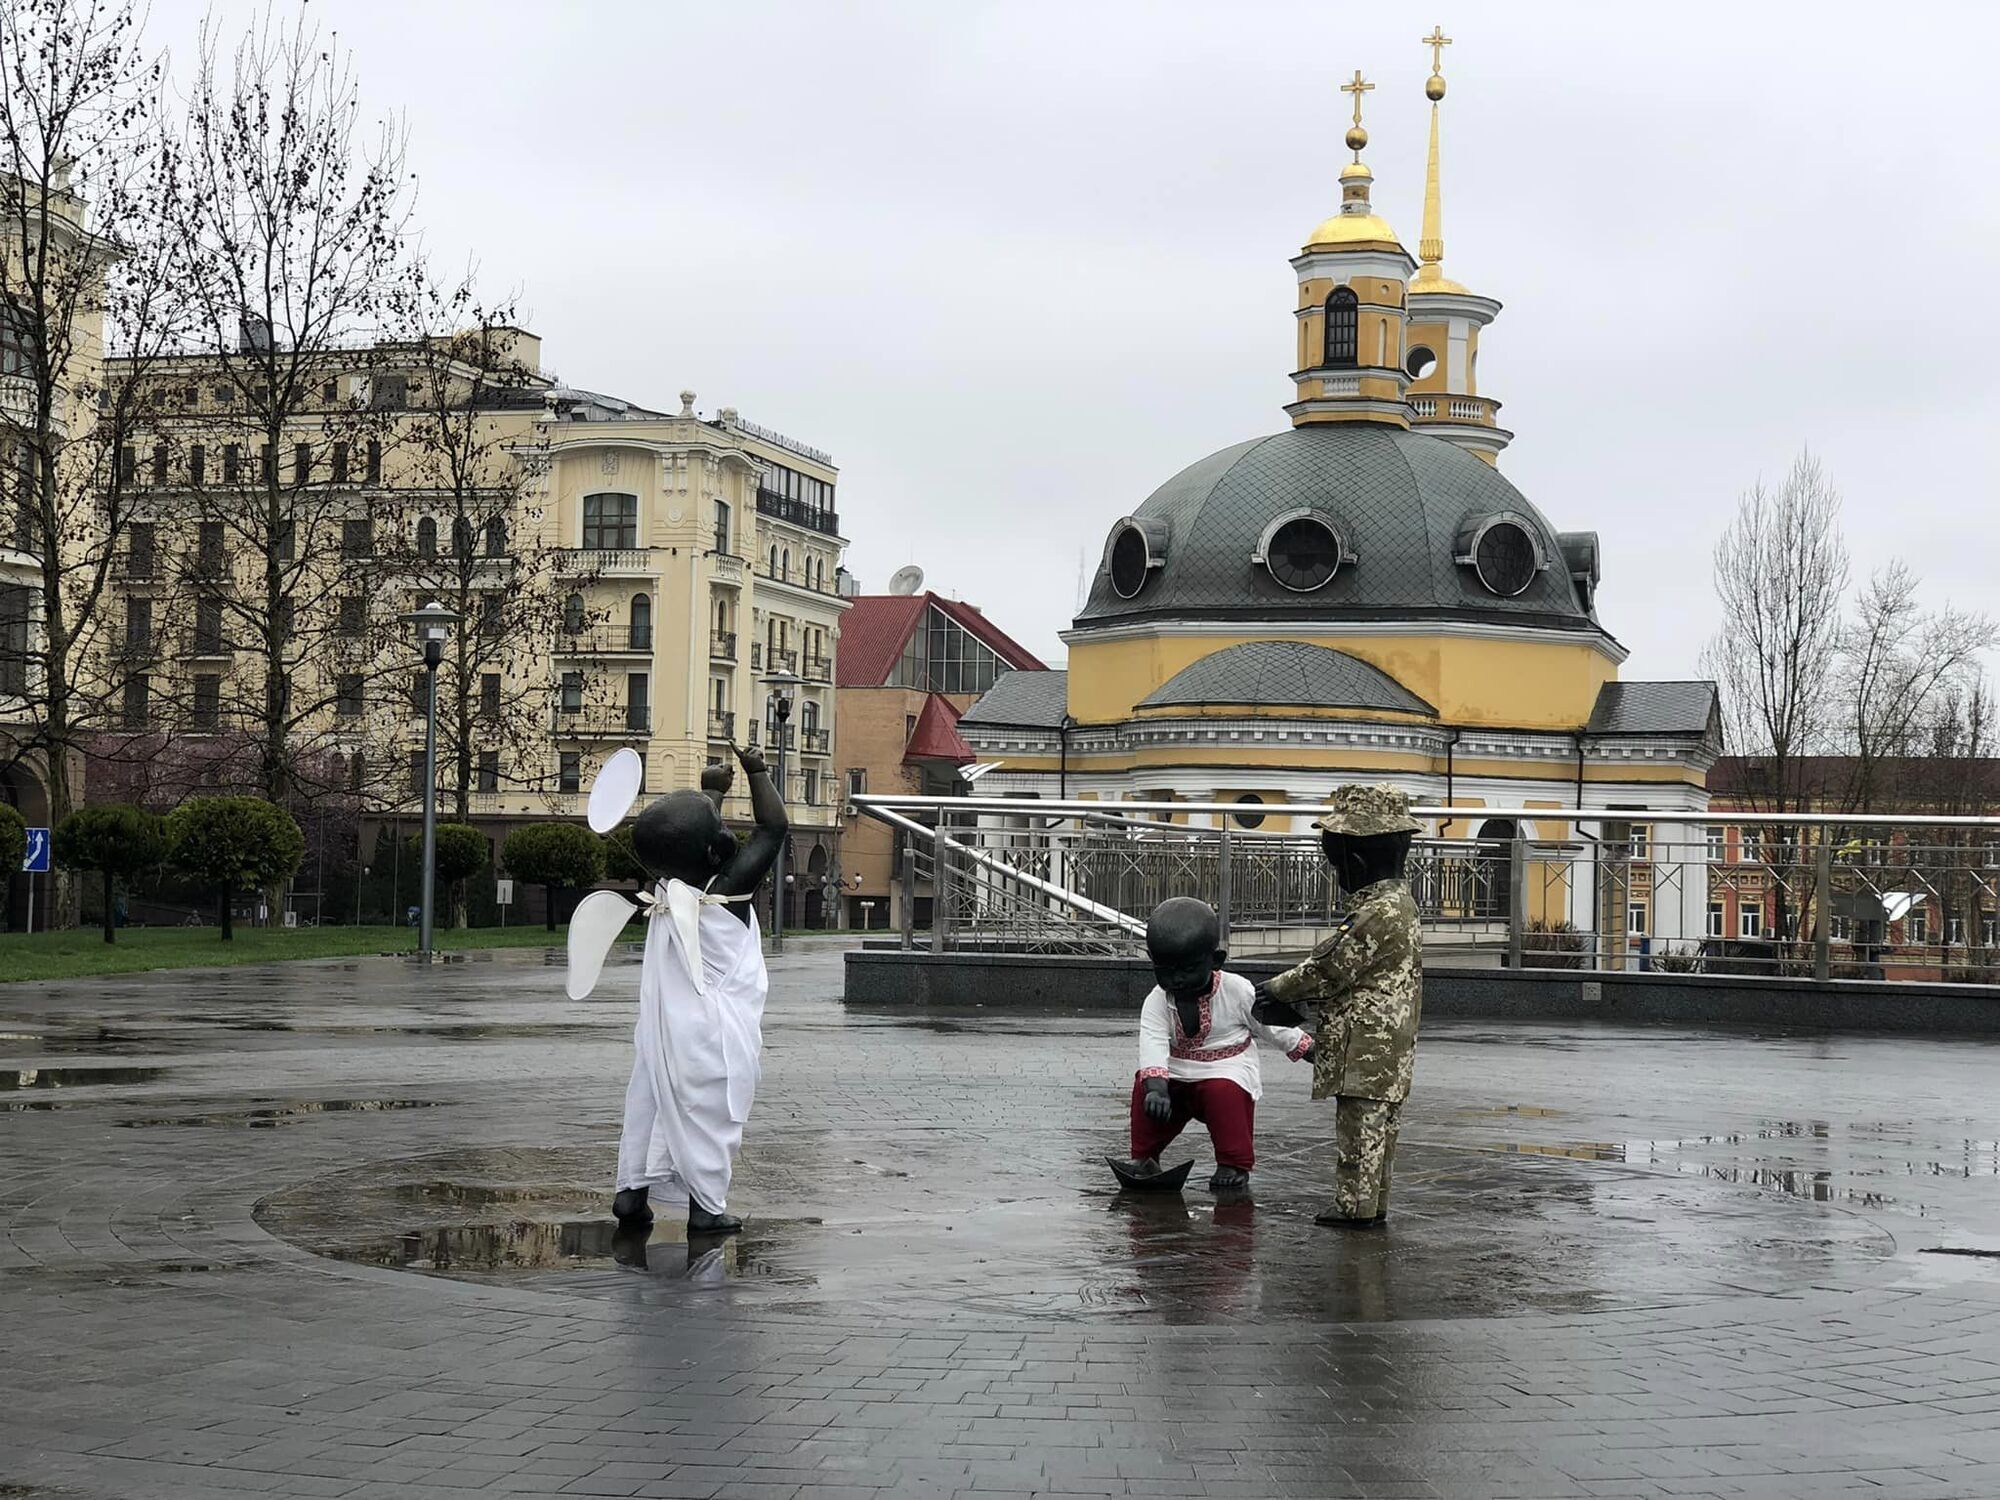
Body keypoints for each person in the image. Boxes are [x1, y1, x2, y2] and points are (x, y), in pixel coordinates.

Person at [612, 742, 785, 1237]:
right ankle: (706, 1209)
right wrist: (757, 771)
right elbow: (774, 829)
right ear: (714, 851)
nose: (729, 832)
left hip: (663, 1030)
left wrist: (711, 792)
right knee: (709, 1116)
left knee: (650, 1104)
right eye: (722, 829)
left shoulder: (666, 887)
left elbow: (690, 837)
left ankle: (631, 1195)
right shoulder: (727, 889)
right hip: (713, 1034)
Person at [1253, 784, 1423, 1227]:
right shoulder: (1399, 904)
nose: (1337, 873)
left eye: (1338, 863)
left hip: (1364, 1045)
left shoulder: (1376, 912)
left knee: (1359, 1132)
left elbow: (1327, 967)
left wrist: (1274, 990)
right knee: (1380, 1132)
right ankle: (1374, 1203)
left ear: (1358, 860)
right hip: (1389, 1047)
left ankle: (1355, 1208)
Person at [1112, 895, 1313, 1192]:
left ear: (1216, 961)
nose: (1177, 979)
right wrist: (1156, 1087)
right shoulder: (1157, 999)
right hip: (1177, 1069)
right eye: (1165, 971)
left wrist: (1306, 1047)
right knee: (1146, 1088)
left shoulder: (1237, 989)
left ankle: (1232, 1163)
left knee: (1225, 1092)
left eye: (1187, 970)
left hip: (1226, 1067)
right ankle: (1145, 1157)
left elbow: (1267, 1025)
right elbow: (1152, 1041)